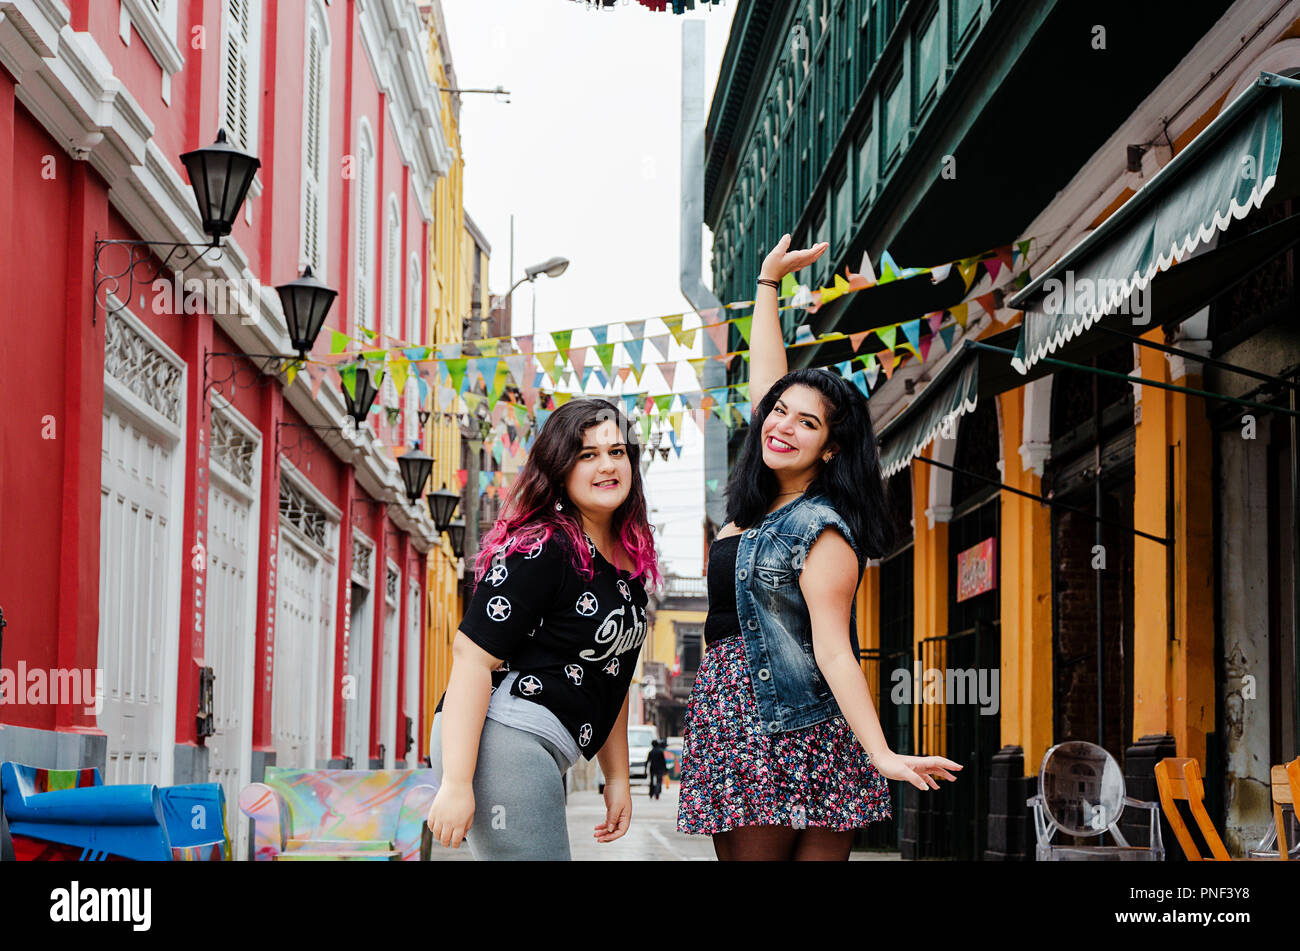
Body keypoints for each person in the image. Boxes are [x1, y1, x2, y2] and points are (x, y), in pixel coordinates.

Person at [676, 234, 963, 861]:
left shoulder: (822, 528)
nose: (782, 425)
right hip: (734, 721)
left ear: (830, 448)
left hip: (787, 725)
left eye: (808, 423)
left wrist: (881, 751)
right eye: (780, 413)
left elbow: (834, 649)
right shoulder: (761, 502)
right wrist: (767, 286)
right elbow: (768, 389)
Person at [426, 398, 661, 860]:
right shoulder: (543, 545)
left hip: (544, 746)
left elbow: (612, 674)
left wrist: (616, 779)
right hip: (502, 738)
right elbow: (471, 658)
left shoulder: (629, 563)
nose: (607, 465)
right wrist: (456, 782)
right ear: (559, 468)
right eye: (587, 455)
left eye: (617, 452)